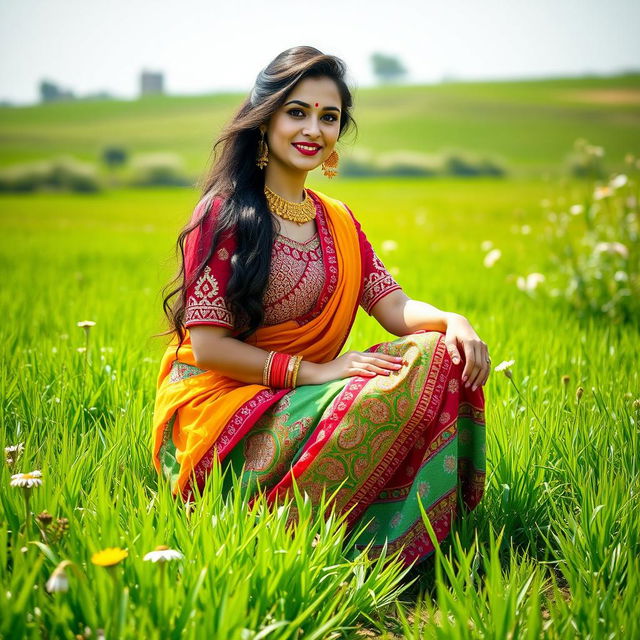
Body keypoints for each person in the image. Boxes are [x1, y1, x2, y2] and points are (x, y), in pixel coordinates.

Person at [152, 46, 489, 567]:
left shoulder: (338, 220)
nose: (313, 129)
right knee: (389, 384)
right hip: (223, 412)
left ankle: (404, 543)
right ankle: (295, 527)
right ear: (264, 122)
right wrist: (317, 372)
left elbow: (392, 305)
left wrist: (453, 321)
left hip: (302, 395)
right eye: (297, 112)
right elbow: (208, 347)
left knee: (437, 354)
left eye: (328, 117)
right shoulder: (223, 214)